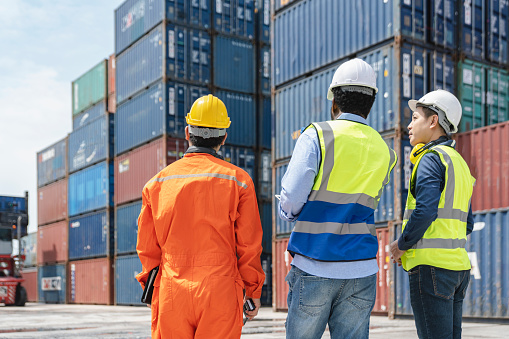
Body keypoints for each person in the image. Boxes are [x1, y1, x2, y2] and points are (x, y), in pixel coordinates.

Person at [279, 58, 397, 339]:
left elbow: (292, 197)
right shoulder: (385, 150)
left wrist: (290, 214)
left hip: (314, 262)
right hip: (362, 267)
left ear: (334, 103)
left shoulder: (317, 135)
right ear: (370, 104)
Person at [136, 94, 265, 338]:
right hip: (221, 289)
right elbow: (249, 245)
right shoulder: (239, 181)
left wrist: (152, 289)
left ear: (187, 133)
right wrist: (253, 291)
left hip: (172, 290)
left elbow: (146, 249)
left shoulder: (156, 184)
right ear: (224, 137)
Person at [390, 90, 475, 339]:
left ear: (433, 121)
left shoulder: (430, 159)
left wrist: (401, 245)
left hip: (431, 270)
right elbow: (467, 223)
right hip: (458, 270)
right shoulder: (459, 163)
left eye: (415, 117)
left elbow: (425, 210)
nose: (409, 125)